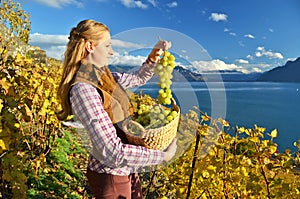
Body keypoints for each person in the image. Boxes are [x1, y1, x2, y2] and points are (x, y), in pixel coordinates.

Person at [56, 19, 177, 199]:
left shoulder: (104, 78)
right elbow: (113, 152)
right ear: (90, 46)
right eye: (107, 46)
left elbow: (137, 78)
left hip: (124, 168)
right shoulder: (84, 91)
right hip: (110, 174)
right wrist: (162, 156)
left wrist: (153, 56)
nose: (111, 52)